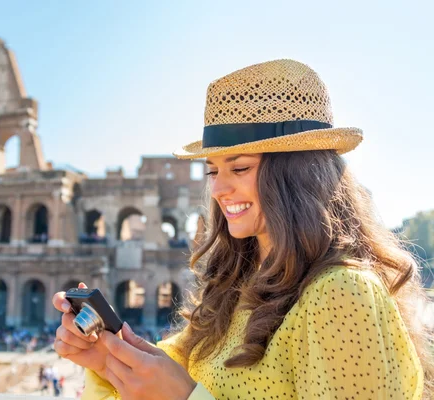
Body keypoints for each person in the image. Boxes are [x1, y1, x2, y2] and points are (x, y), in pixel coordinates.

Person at [52, 59, 434, 399]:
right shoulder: (237, 288)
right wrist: (109, 359)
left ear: (297, 176)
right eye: (213, 170)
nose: (217, 189)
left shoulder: (342, 293)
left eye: (239, 168)